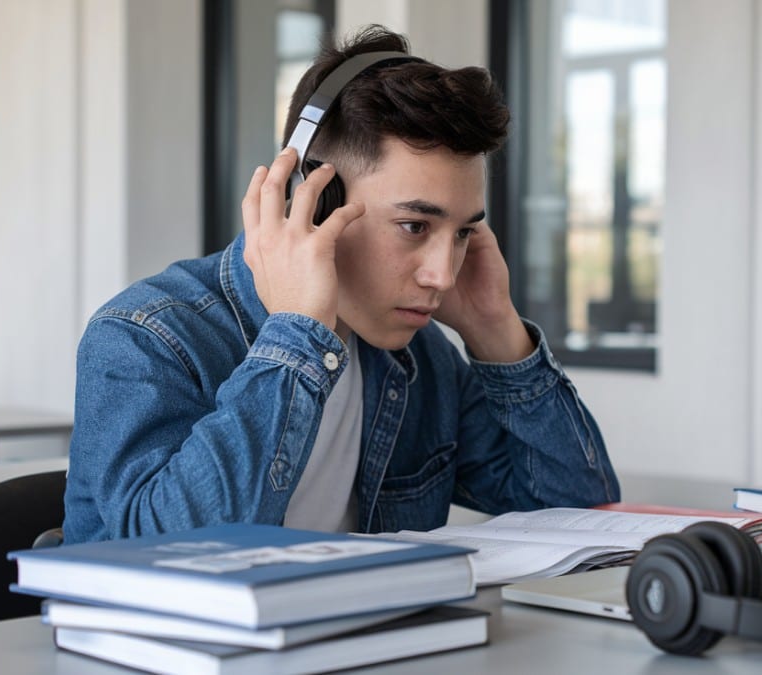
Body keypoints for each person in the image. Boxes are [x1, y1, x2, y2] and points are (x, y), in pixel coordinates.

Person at [62, 25, 619, 544]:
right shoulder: (145, 337)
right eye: (414, 227)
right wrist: (296, 335)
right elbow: (168, 555)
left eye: (463, 232)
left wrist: (497, 332)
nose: (442, 275)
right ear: (314, 201)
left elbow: (582, 516)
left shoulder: (424, 361)